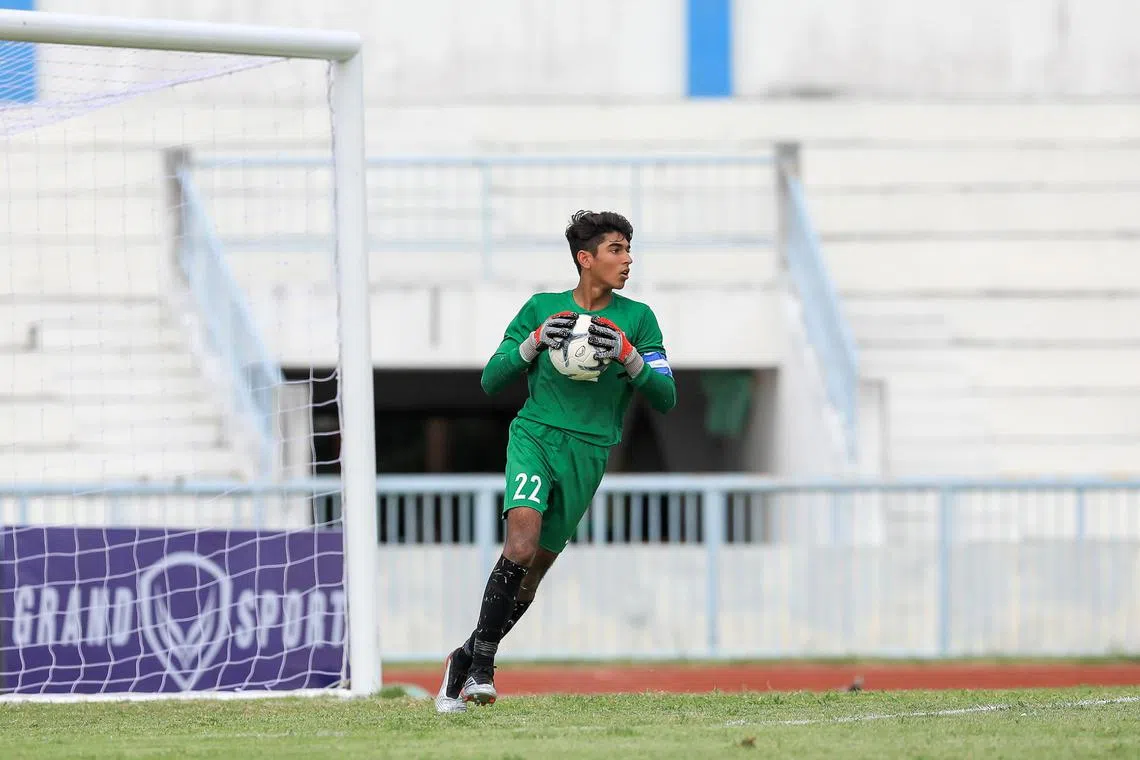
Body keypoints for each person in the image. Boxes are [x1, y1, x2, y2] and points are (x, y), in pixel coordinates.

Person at [435, 210, 677, 713]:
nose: (628, 259)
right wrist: (533, 341)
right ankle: (482, 668)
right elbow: (491, 380)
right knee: (520, 543)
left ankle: (465, 656)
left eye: (630, 249)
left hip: (589, 452)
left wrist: (630, 357)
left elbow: (666, 396)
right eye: (616, 249)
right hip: (535, 436)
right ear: (585, 259)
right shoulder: (540, 308)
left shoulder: (639, 318)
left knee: (535, 571)